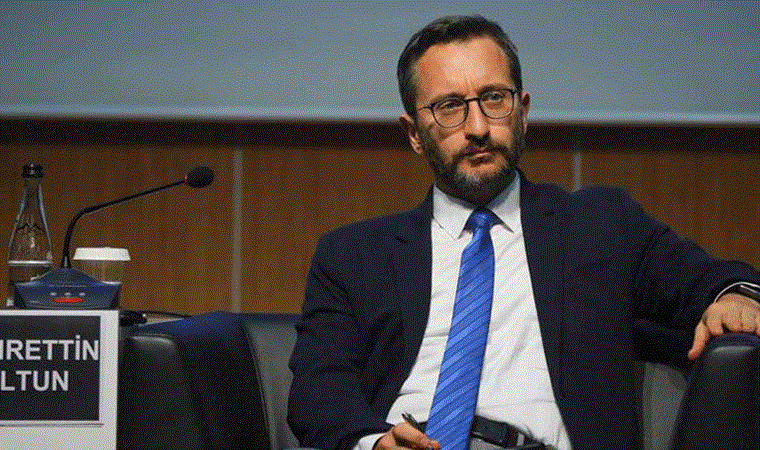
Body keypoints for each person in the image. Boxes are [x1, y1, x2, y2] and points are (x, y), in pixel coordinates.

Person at [287, 15, 760, 450]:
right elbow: (317, 387)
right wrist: (373, 444)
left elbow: (713, 280)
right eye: (450, 107)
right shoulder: (353, 256)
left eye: (494, 98)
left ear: (523, 111)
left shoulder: (600, 226)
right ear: (413, 133)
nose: (477, 127)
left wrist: (735, 296)